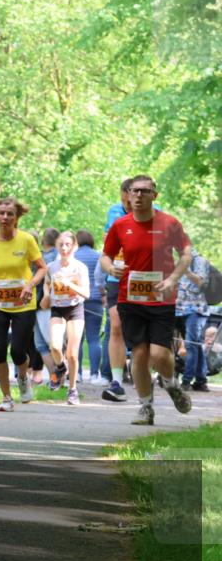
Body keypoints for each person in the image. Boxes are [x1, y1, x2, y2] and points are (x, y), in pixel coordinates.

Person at [100, 175, 192, 425]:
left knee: (160, 354)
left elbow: (185, 253)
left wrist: (173, 279)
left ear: (155, 195)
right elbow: (105, 256)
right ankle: (145, 407)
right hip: (130, 299)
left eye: (144, 191)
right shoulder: (120, 225)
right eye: (134, 191)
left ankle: (171, 384)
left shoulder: (170, 223)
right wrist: (110, 269)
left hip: (162, 298)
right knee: (139, 355)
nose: (139, 196)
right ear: (128, 196)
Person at [0, 197, 47, 411]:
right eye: (1, 213)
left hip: (23, 303)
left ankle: (23, 377)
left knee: (18, 351)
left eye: (10, 214)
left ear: (17, 218)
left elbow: (42, 268)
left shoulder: (26, 240)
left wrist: (30, 285)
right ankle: (6, 398)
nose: (5, 217)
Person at [42, 231, 91, 405]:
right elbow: (47, 282)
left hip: (75, 309)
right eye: (61, 244)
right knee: (54, 346)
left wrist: (69, 284)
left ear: (74, 246)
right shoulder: (52, 267)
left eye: (67, 244)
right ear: (56, 246)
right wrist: (46, 295)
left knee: (72, 353)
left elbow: (86, 293)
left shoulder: (80, 268)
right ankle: (60, 368)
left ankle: (72, 391)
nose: (64, 248)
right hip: (57, 308)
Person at [175, 250, 211, 391]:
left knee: (191, 344)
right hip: (178, 309)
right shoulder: (175, 259)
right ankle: (201, 380)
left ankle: (186, 381)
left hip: (195, 309)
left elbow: (201, 282)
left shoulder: (198, 260)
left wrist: (186, 271)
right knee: (195, 345)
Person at [73, 229, 105, 384]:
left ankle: (77, 374)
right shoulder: (98, 256)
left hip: (77, 301)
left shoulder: (73, 256)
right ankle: (94, 374)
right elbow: (102, 277)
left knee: (77, 339)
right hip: (96, 301)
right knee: (94, 339)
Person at [34, 228, 61, 387]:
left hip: (42, 304)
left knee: (46, 343)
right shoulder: (59, 257)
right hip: (49, 303)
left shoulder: (41, 258)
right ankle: (56, 377)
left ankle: (57, 376)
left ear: (44, 241)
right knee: (45, 343)